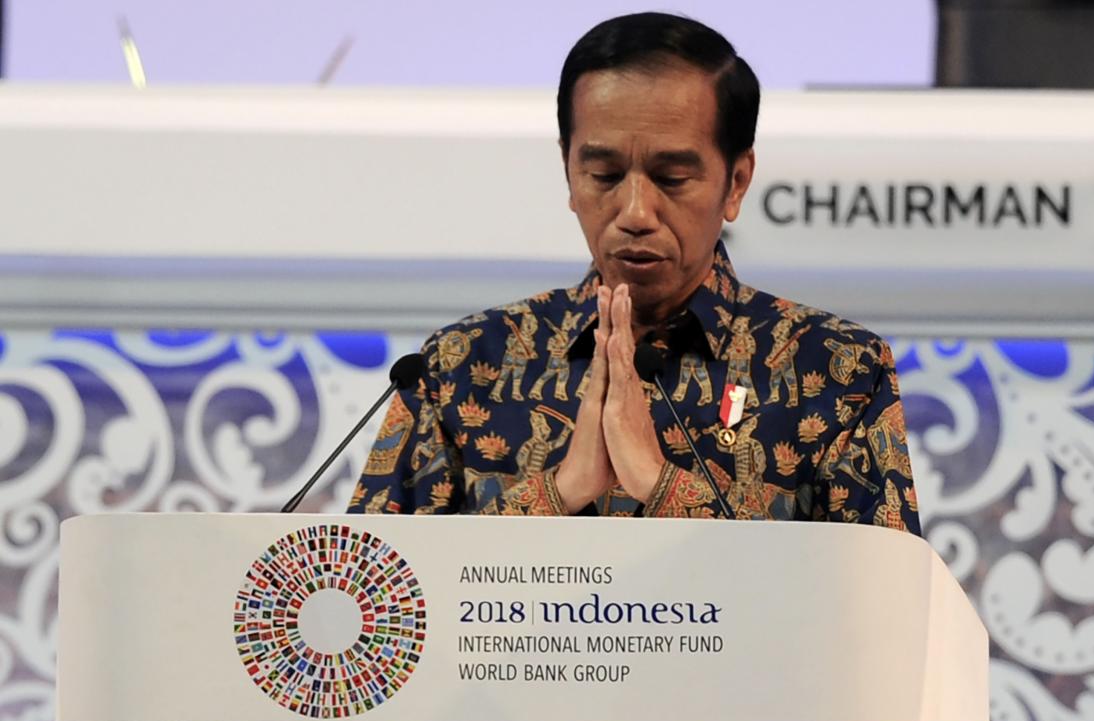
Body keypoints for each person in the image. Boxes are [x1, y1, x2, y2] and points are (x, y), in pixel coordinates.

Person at [348, 12, 920, 534]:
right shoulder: (459, 365)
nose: (636, 213)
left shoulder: (841, 369)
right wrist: (559, 491)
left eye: (672, 178)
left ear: (737, 182)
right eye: (604, 174)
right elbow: (367, 591)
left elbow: (878, 600)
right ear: (568, 172)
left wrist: (661, 483)